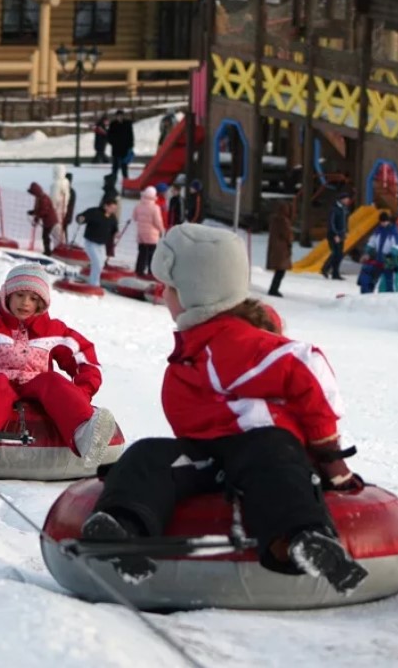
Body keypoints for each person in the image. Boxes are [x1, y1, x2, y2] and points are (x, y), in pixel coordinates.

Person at [79, 224, 368, 591]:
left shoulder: (233, 341)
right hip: (210, 456)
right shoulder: (198, 343)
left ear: (196, 294)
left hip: (259, 449)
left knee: (271, 456)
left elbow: (306, 364)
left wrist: (329, 455)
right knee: (148, 453)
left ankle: (303, 539)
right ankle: (120, 526)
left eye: (169, 287)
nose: (162, 294)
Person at [0, 264, 117, 477]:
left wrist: (82, 393)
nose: (26, 303)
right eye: (20, 295)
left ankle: (84, 433)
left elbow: (85, 358)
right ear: (7, 294)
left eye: (34, 298)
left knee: (53, 381)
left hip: (34, 388)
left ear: (43, 303)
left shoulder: (53, 331)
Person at [77, 197, 120, 287]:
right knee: (97, 263)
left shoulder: (112, 217)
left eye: (114, 208)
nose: (113, 210)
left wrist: (116, 233)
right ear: (105, 206)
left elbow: (114, 228)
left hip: (101, 245)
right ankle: (94, 284)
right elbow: (82, 217)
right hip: (91, 243)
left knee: (100, 264)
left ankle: (94, 281)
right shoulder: (94, 212)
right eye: (112, 208)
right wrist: (80, 219)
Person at [364, 212, 398, 293]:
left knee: (389, 279)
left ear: (388, 221)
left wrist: (392, 254)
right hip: (378, 258)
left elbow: (396, 245)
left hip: (389, 258)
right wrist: (368, 251)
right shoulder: (378, 230)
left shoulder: (394, 231)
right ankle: (368, 294)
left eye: (385, 221)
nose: (383, 223)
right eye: (381, 222)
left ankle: (390, 295)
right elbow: (372, 242)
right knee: (373, 278)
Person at [133, 186, 165, 277]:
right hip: (152, 235)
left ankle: (139, 271)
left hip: (141, 234)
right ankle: (151, 272)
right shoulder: (155, 208)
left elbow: (134, 218)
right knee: (152, 254)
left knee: (142, 253)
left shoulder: (138, 205)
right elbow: (157, 221)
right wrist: (162, 230)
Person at [266, 198, 294, 297]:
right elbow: (287, 235)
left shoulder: (274, 219)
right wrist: (290, 242)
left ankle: (273, 288)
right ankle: (274, 289)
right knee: (281, 271)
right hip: (282, 249)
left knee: (279, 270)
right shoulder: (284, 221)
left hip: (275, 248)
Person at [321, 192, 351, 280]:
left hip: (341, 234)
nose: (348, 200)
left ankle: (335, 273)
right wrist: (335, 234)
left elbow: (345, 222)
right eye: (346, 199)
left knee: (339, 254)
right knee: (335, 253)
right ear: (342, 199)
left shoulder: (344, 209)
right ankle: (325, 268)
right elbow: (331, 223)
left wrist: (345, 231)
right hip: (333, 234)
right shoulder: (334, 209)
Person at [27, 182, 59, 256]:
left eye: (33, 193)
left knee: (46, 236)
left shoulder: (44, 199)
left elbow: (43, 211)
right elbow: (39, 210)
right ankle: (48, 251)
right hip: (47, 221)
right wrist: (33, 212)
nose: (33, 195)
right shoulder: (40, 198)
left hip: (50, 221)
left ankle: (48, 252)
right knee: (46, 236)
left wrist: (36, 218)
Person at [107, 110, 135, 182]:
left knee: (124, 165)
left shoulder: (127, 124)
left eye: (121, 116)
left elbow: (130, 135)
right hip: (116, 148)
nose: (119, 117)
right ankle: (113, 180)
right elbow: (109, 135)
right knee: (115, 165)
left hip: (125, 148)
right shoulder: (113, 124)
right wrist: (112, 142)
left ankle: (125, 179)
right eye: (118, 116)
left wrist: (130, 145)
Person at [51, 164, 71, 240]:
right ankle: (61, 243)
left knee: (55, 228)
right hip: (63, 208)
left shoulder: (56, 184)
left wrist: (52, 207)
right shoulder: (66, 182)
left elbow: (54, 198)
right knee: (59, 227)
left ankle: (59, 245)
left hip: (56, 209)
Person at [62, 172, 77, 241]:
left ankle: (65, 243)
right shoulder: (71, 191)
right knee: (63, 229)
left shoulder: (69, 191)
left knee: (63, 229)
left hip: (66, 215)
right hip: (67, 215)